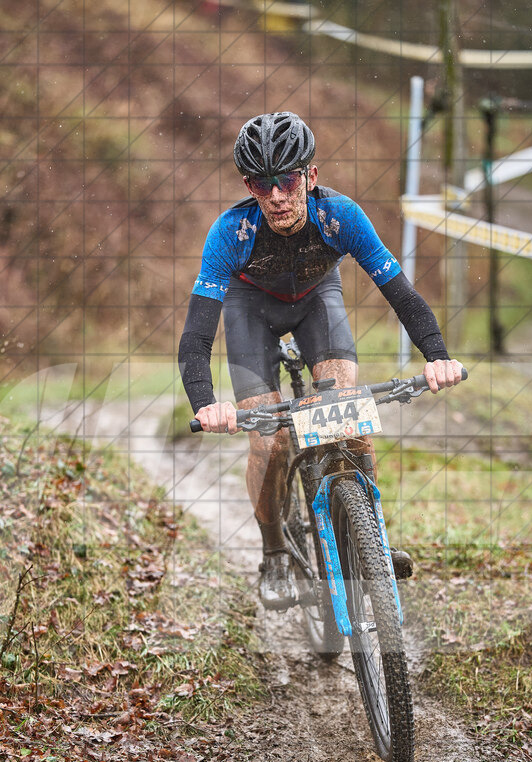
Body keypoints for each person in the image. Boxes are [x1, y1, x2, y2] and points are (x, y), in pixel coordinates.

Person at [178, 111, 464, 609]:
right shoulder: (231, 232)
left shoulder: (341, 216)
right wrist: (206, 403)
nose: (277, 195)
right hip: (251, 311)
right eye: (262, 184)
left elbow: (401, 294)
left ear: (310, 176)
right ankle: (274, 555)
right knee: (270, 441)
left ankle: (369, 539)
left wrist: (437, 356)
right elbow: (197, 334)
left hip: (317, 301)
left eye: (287, 179)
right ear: (249, 185)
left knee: (348, 415)